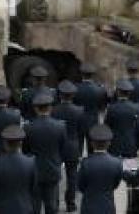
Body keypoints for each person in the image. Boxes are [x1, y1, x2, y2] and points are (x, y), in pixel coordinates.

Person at [24, 92, 67, 214]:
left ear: (35, 108)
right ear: (50, 108)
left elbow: (26, 150)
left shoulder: (27, 127)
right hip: (52, 168)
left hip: (34, 169)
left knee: (35, 204)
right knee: (51, 204)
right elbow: (63, 148)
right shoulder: (60, 126)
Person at [52, 80, 86, 212]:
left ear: (60, 95)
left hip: (56, 145)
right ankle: (70, 203)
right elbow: (82, 130)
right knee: (72, 176)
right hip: (72, 145)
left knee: (55, 175)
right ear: (73, 95)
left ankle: (54, 203)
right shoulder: (79, 110)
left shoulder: (53, 110)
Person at [0, 125, 37, 214]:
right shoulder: (31, 163)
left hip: (1, 209)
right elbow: (34, 188)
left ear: (5, 143)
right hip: (24, 208)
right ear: (21, 143)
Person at [77, 124, 123, 214]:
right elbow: (115, 184)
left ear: (92, 143)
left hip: (89, 206)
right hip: (107, 206)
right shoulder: (116, 163)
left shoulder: (85, 163)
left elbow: (80, 186)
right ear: (109, 143)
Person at [105, 80, 139, 158]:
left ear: (118, 92)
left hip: (115, 143)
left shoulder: (111, 108)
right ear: (129, 93)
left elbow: (107, 126)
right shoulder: (136, 108)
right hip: (130, 142)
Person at [74, 63, 107, 142]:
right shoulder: (100, 90)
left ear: (81, 74)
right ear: (93, 75)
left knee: (78, 147)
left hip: (78, 121)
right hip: (93, 121)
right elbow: (102, 107)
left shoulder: (75, 88)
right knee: (92, 149)